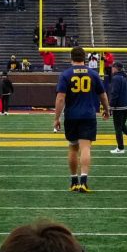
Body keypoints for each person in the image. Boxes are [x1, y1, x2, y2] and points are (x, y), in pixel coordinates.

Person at [53, 46, 109, 194]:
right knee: (85, 147)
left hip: (71, 115)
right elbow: (102, 94)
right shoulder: (93, 74)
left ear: (71, 58)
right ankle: (84, 181)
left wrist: (56, 118)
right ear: (84, 58)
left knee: (72, 147)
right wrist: (107, 109)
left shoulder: (66, 75)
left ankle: (74, 182)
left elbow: (60, 98)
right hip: (88, 115)